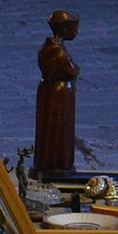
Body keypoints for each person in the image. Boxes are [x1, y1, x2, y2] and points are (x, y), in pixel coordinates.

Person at [34, 10, 80, 173]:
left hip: (53, 92)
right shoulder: (58, 52)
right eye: (75, 29)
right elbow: (73, 70)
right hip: (59, 94)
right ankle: (56, 164)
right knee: (57, 130)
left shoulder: (49, 48)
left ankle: (50, 162)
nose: (77, 33)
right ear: (65, 31)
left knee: (52, 129)